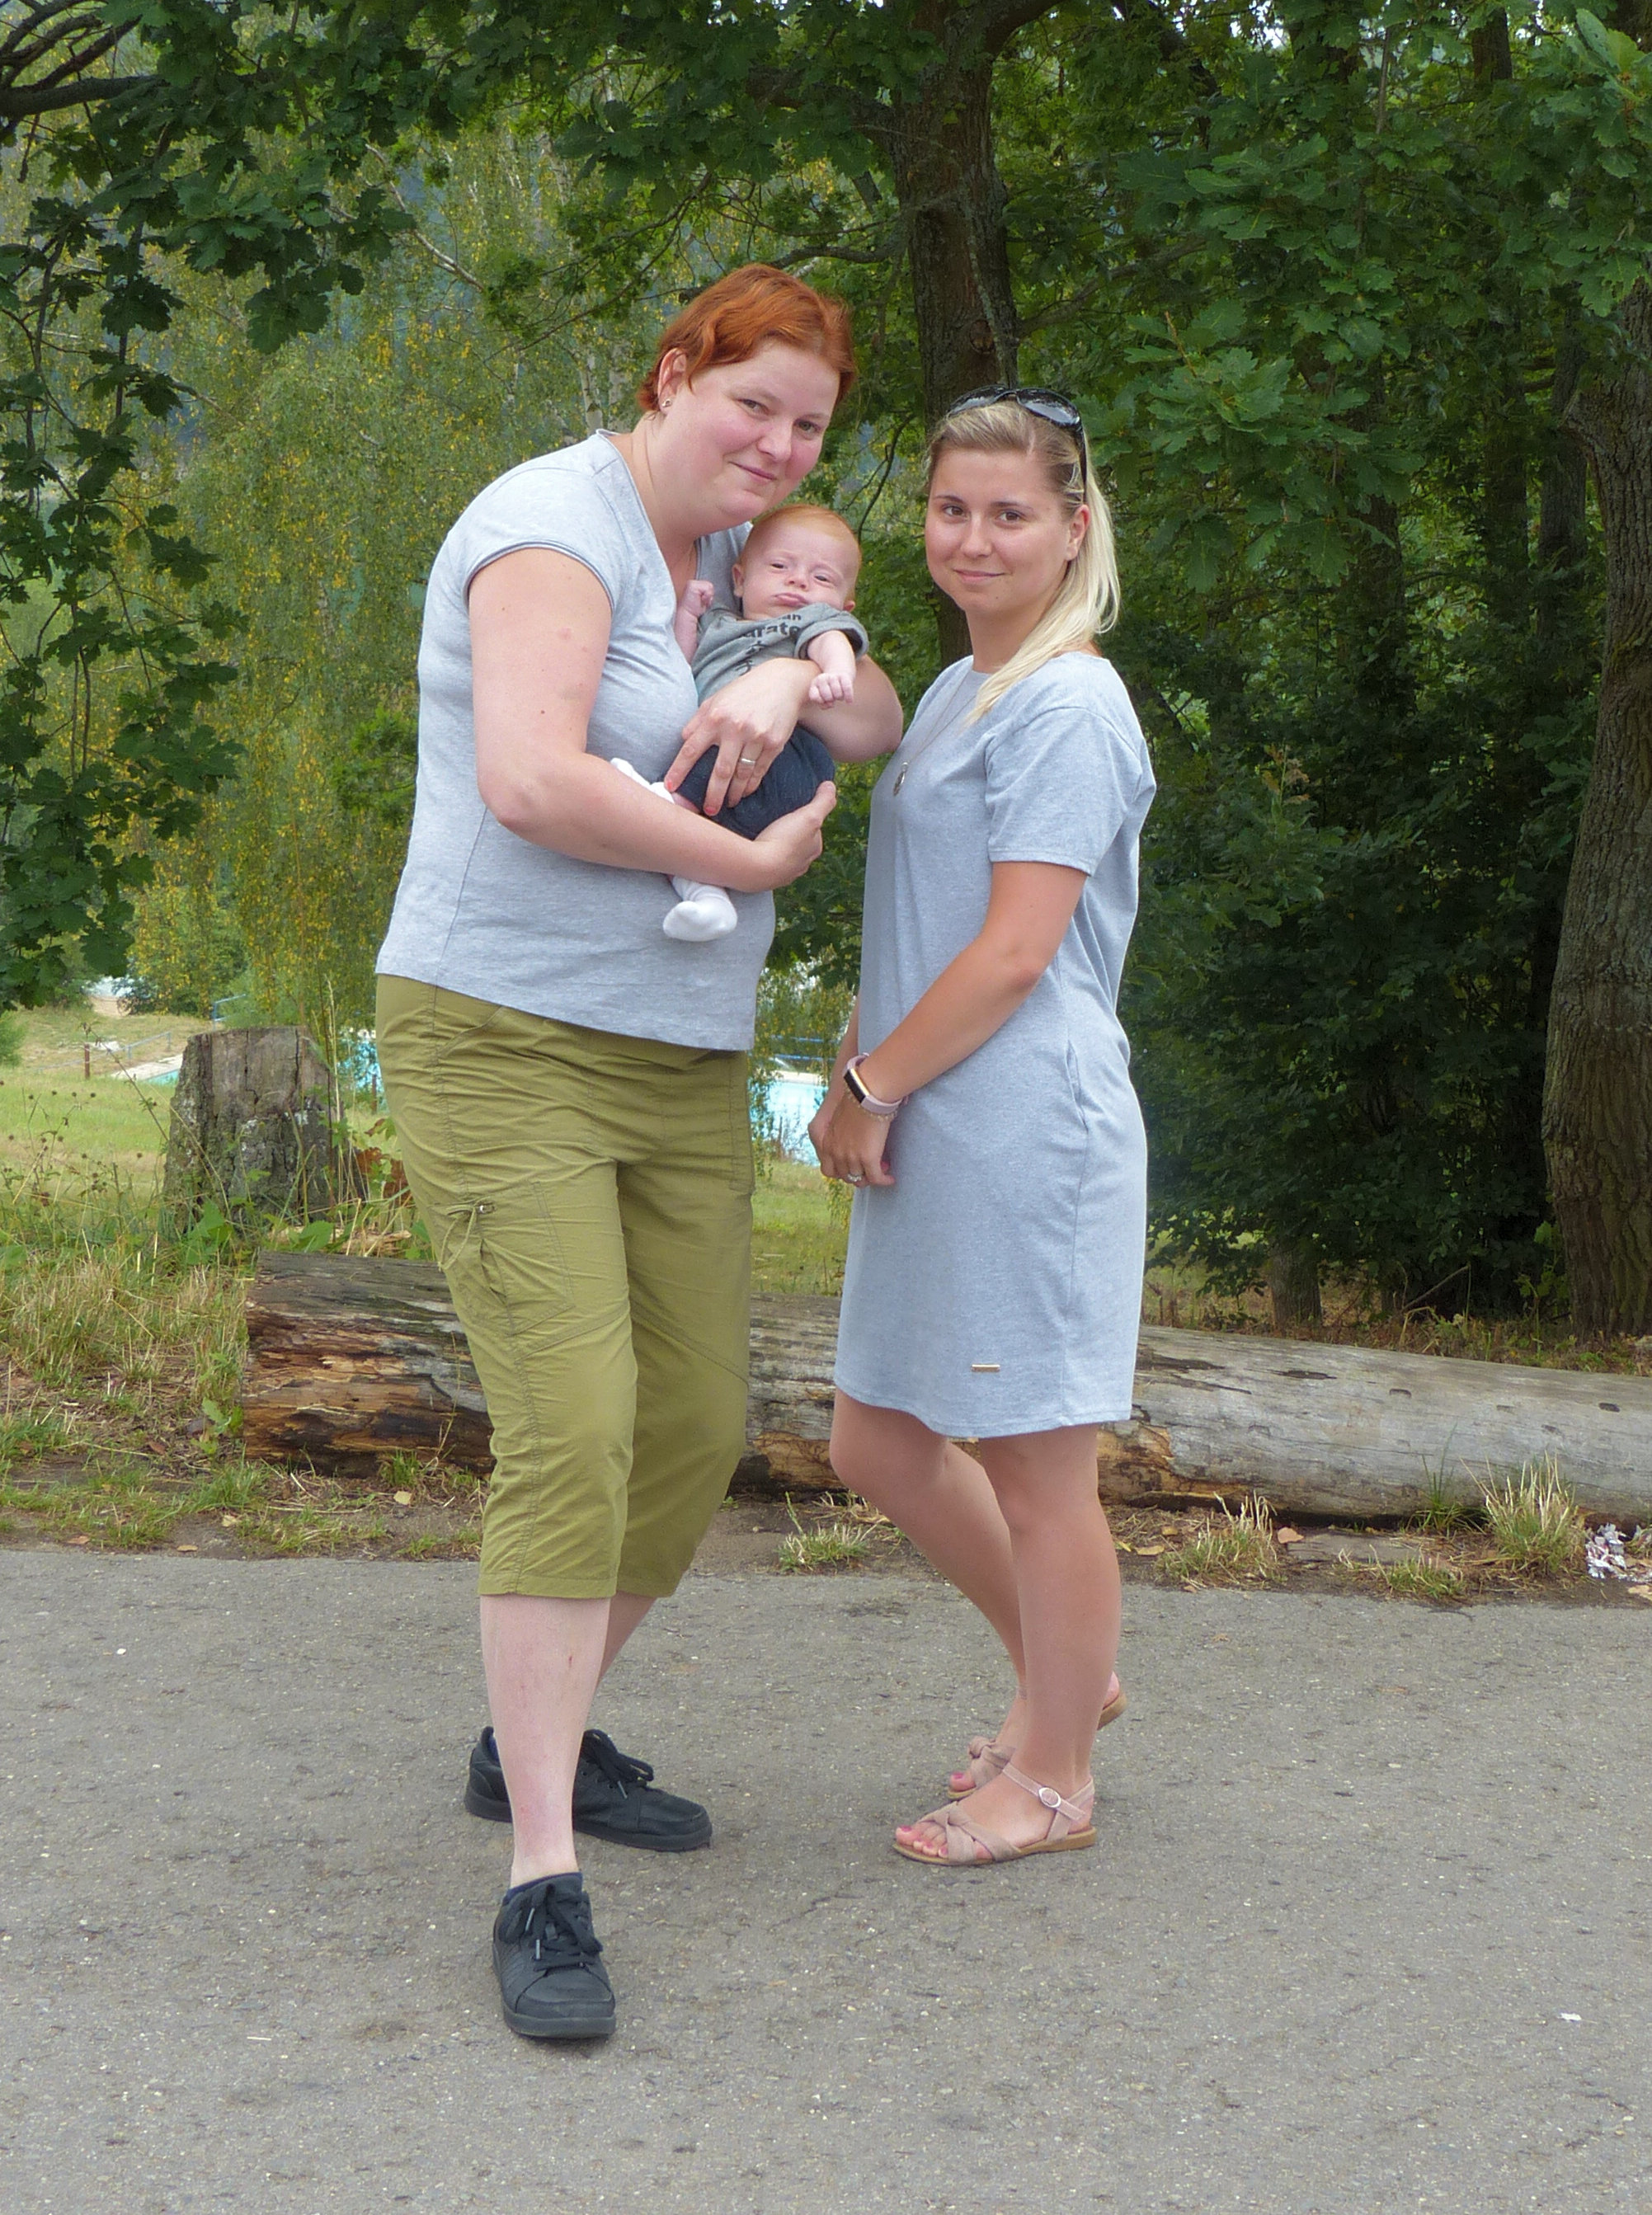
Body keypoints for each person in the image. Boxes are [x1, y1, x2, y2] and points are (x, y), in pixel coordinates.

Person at [374, 263, 902, 2038]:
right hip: (501, 1027)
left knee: (685, 1426)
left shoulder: (739, 566)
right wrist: (744, 861)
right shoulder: (552, 526)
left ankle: (530, 1726)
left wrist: (801, 672)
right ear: (671, 374)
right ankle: (540, 1872)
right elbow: (529, 778)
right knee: (575, 1427)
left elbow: (875, 725)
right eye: (751, 402)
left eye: (808, 423)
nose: (777, 443)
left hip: (679, 1055)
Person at [812, 387, 1155, 1869]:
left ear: (1072, 529)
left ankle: (1055, 1775)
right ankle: (1069, 1676)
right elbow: (926, 909)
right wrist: (859, 1049)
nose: (973, 537)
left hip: (1024, 1129)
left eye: (1009, 513)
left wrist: (872, 1086)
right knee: (877, 1438)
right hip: (930, 1109)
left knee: (1034, 1467)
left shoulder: (1068, 702)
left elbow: (1017, 950)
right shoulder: (962, 687)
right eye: (950, 508)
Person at [616, 504, 868, 942]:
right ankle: (709, 899)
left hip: (784, 761)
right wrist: (687, 617)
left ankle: (659, 802)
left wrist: (836, 673)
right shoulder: (720, 624)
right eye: (780, 566)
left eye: (822, 578)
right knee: (695, 842)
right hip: (740, 780)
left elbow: (832, 642)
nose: (799, 581)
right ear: (739, 579)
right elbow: (683, 665)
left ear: (843, 607)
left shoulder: (806, 622)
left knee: (717, 750)